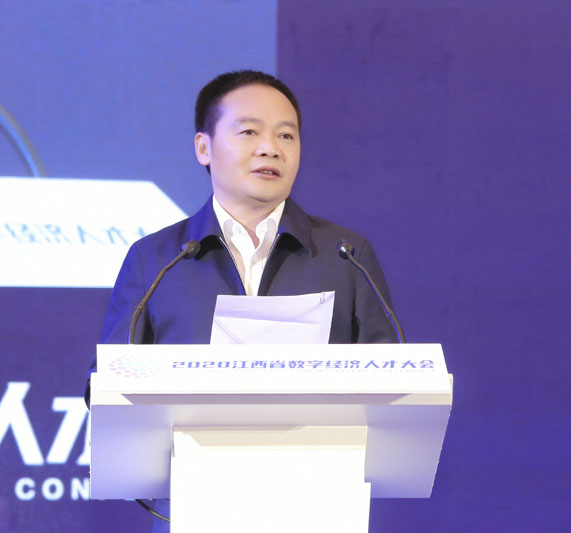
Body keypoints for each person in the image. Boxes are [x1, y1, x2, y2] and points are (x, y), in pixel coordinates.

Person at [85, 70, 399, 530]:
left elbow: (391, 380)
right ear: (204, 147)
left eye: (286, 135)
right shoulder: (156, 258)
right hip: (194, 505)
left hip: (318, 502)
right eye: (249, 131)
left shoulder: (345, 254)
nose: (270, 148)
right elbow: (109, 381)